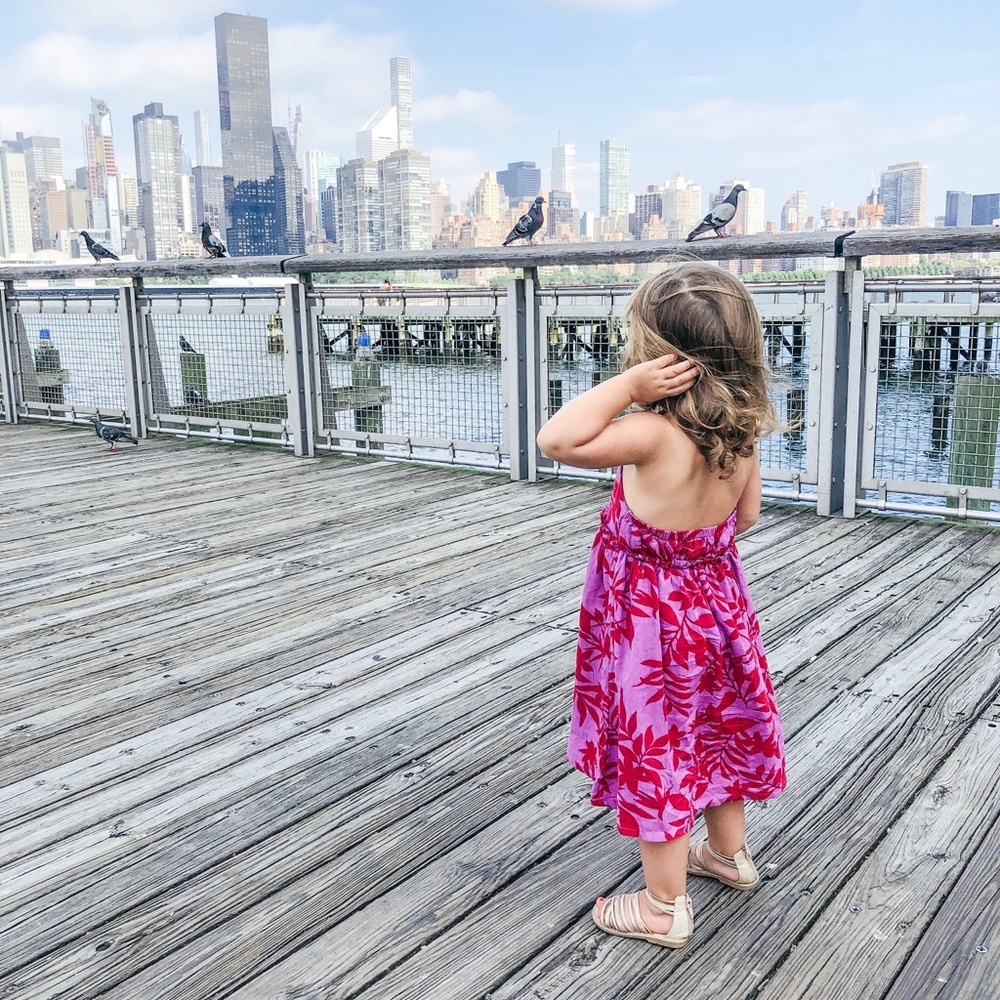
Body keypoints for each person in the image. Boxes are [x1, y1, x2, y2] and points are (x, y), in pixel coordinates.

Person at [536, 262, 787, 950]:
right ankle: (729, 856)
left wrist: (627, 389)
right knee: (712, 728)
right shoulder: (741, 428)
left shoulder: (650, 430)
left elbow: (556, 439)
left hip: (650, 627)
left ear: (658, 357)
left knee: (659, 750)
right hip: (718, 609)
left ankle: (661, 906)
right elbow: (749, 518)